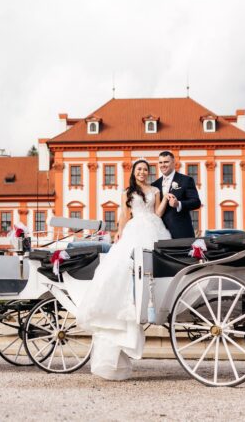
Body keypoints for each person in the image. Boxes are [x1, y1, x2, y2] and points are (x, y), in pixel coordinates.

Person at [77, 159, 171, 380]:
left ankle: (152, 297)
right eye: (139, 169)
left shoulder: (155, 189)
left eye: (145, 170)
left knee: (152, 262)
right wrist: (119, 232)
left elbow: (157, 213)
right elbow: (124, 215)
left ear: (148, 173)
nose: (142, 172)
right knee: (126, 263)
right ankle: (131, 298)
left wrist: (166, 198)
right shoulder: (127, 192)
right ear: (134, 172)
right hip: (135, 227)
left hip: (154, 227)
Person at [151, 151, 201, 238]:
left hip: (181, 233)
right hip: (160, 233)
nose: (163, 165)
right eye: (160, 162)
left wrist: (178, 204)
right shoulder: (154, 185)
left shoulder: (186, 180)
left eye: (166, 162)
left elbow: (196, 202)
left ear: (174, 162)